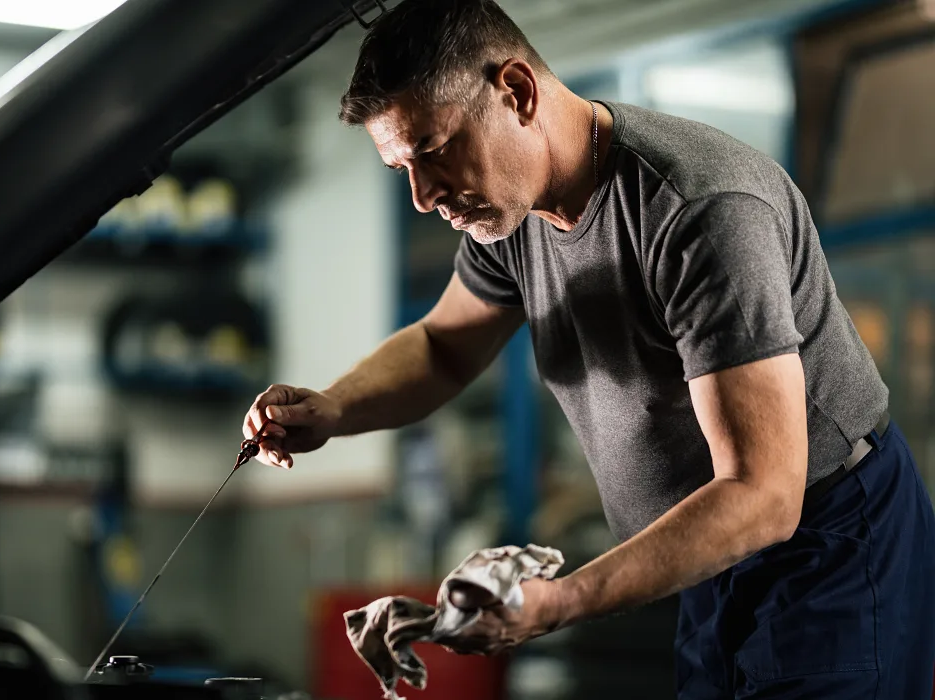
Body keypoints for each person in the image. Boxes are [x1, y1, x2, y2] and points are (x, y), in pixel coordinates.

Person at [241, 0, 935, 697]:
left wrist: (561, 601)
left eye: (433, 151)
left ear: (516, 92)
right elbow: (443, 348)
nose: (424, 198)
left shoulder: (698, 208)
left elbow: (763, 493)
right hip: (711, 552)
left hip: (828, 544)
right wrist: (333, 408)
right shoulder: (507, 215)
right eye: (403, 171)